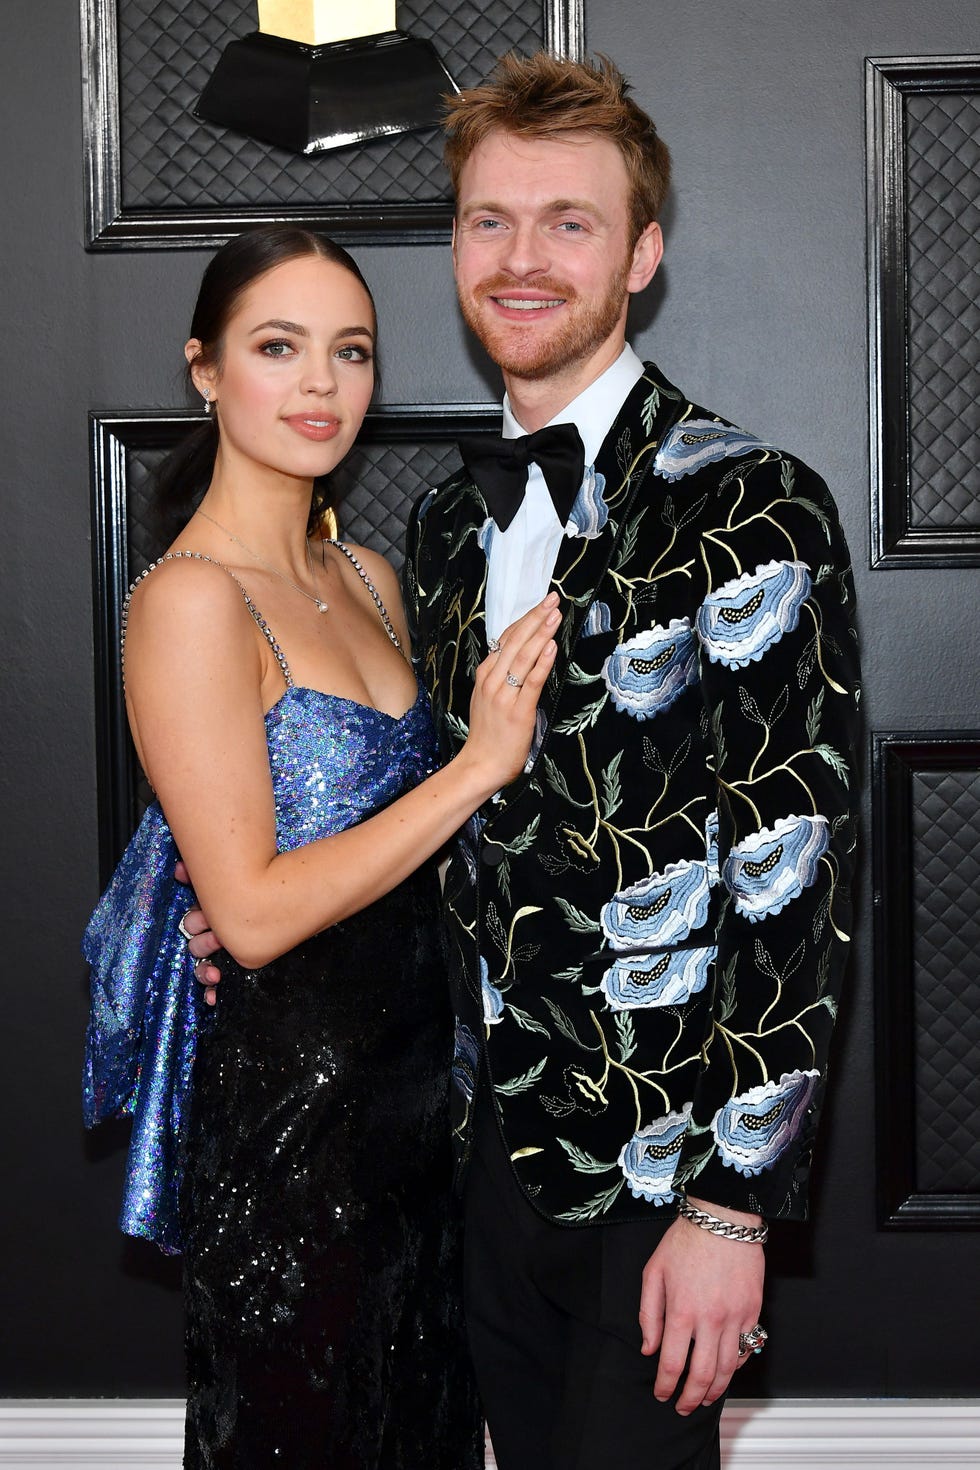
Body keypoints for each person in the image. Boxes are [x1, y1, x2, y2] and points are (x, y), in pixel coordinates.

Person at [187, 53, 862, 1470]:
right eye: (489, 220)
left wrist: (733, 1207)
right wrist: (244, 909)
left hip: (661, 1178)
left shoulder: (756, 505)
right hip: (467, 1166)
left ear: (641, 255)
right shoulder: (437, 530)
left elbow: (795, 881)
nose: (521, 259)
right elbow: (428, 814)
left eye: (569, 222)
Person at [83, 223, 560, 1470]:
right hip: (295, 1140)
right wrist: (475, 766)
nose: (320, 384)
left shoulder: (369, 575)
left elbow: (382, 855)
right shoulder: (189, 600)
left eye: (350, 351)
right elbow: (249, 917)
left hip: (423, 1122)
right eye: (277, 347)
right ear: (204, 368)